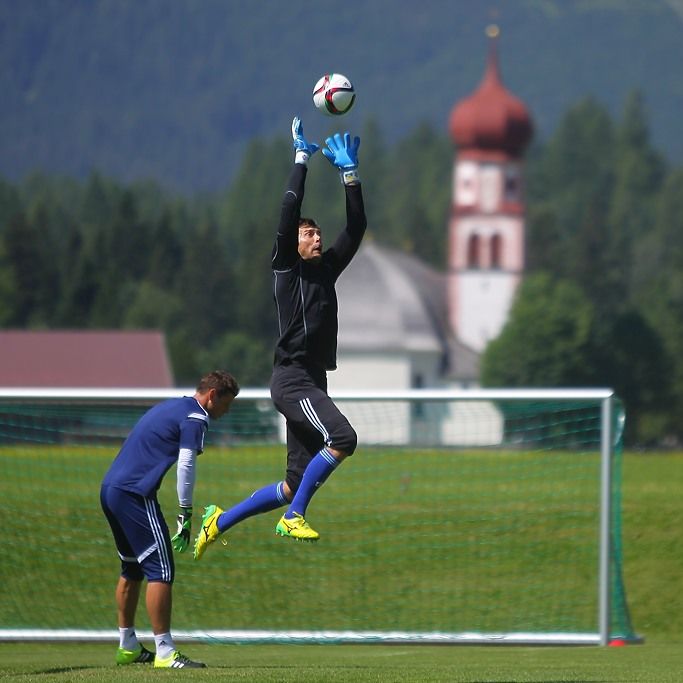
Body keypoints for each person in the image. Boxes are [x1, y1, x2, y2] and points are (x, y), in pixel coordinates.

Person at [193, 116, 366, 560]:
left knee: (292, 484)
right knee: (343, 439)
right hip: (292, 380)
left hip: (313, 379)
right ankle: (294, 519)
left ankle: (218, 520)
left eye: (318, 232)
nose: (317, 235)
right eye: (309, 232)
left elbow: (358, 227)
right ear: (293, 242)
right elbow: (288, 211)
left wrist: (350, 176)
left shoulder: (326, 269)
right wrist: (301, 159)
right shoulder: (286, 270)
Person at [100, 370, 240, 668]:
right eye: (225, 404)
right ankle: (164, 651)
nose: (225, 412)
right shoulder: (196, 417)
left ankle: (128, 646)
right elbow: (186, 463)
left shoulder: (170, 406)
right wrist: (185, 512)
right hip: (135, 494)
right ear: (212, 395)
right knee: (161, 570)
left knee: (132, 567)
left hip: (110, 489)